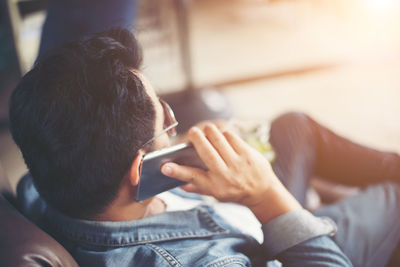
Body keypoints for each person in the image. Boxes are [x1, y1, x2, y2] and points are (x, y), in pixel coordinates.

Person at [9, 28, 400, 267]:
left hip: (224, 210)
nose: (173, 124)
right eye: (166, 117)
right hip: (274, 237)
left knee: (292, 126)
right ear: (138, 167)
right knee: (393, 195)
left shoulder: (40, 181)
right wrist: (268, 197)